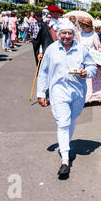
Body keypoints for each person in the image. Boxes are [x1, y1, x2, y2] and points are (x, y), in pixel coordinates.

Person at [37, 18, 97, 177]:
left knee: (72, 119)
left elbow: (92, 66)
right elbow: (43, 72)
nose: (66, 36)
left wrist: (86, 72)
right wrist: (41, 93)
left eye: (70, 33)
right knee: (63, 122)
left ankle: (65, 145)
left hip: (77, 90)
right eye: (63, 33)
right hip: (58, 90)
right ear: (58, 34)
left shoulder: (81, 48)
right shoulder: (51, 50)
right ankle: (65, 160)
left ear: (74, 34)